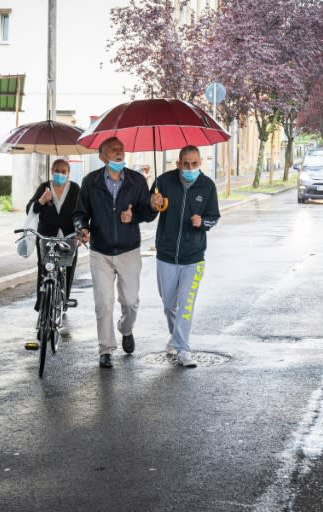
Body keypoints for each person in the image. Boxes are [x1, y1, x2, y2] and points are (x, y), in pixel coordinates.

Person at [73, 137, 158, 368]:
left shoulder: (136, 180)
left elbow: (148, 214)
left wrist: (149, 207)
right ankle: (106, 349)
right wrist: (82, 228)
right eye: (113, 150)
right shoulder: (90, 181)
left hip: (129, 249)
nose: (119, 153)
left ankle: (126, 329)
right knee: (104, 301)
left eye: (121, 149)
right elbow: (81, 212)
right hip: (100, 250)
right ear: (102, 156)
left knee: (130, 301)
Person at [150, 145, 220, 368]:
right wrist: (154, 204)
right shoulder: (163, 182)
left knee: (186, 305)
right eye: (186, 164)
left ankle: (183, 349)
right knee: (169, 303)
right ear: (178, 164)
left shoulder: (207, 186)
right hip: (166, 254)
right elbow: (149, 210)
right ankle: (176, 337)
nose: (190, 168)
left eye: (195, 164)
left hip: (194, 257)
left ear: (200, 163)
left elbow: (214, 217)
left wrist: (203, 223)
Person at [25, 159, 81, 348]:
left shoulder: (75, 189)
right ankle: (42, 309)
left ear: (68, 172)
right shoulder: (44, 187)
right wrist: (42, 201)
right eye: (56, 170)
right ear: (51, 170)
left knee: (66, 271)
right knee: (45, 272)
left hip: (68, 238)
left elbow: (82, 213)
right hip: (47, 237)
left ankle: (63, 302)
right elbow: (30, 209)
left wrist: (81, 231)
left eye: (63, 171)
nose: (59, 173)